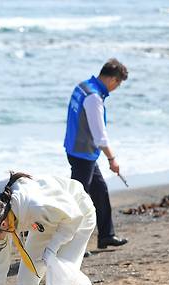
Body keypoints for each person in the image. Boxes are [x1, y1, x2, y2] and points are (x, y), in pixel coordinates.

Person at [63, 58, 129, 249]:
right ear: (112, 80)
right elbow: (100, 136)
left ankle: (106, 236)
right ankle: (69, 245)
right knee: (77, 202)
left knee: (100, 192)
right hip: (82, 154)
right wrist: (112, 159)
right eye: (118, 83)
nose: (116, 88)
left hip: (78, 150)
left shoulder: (82, 86)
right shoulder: (93, 97)